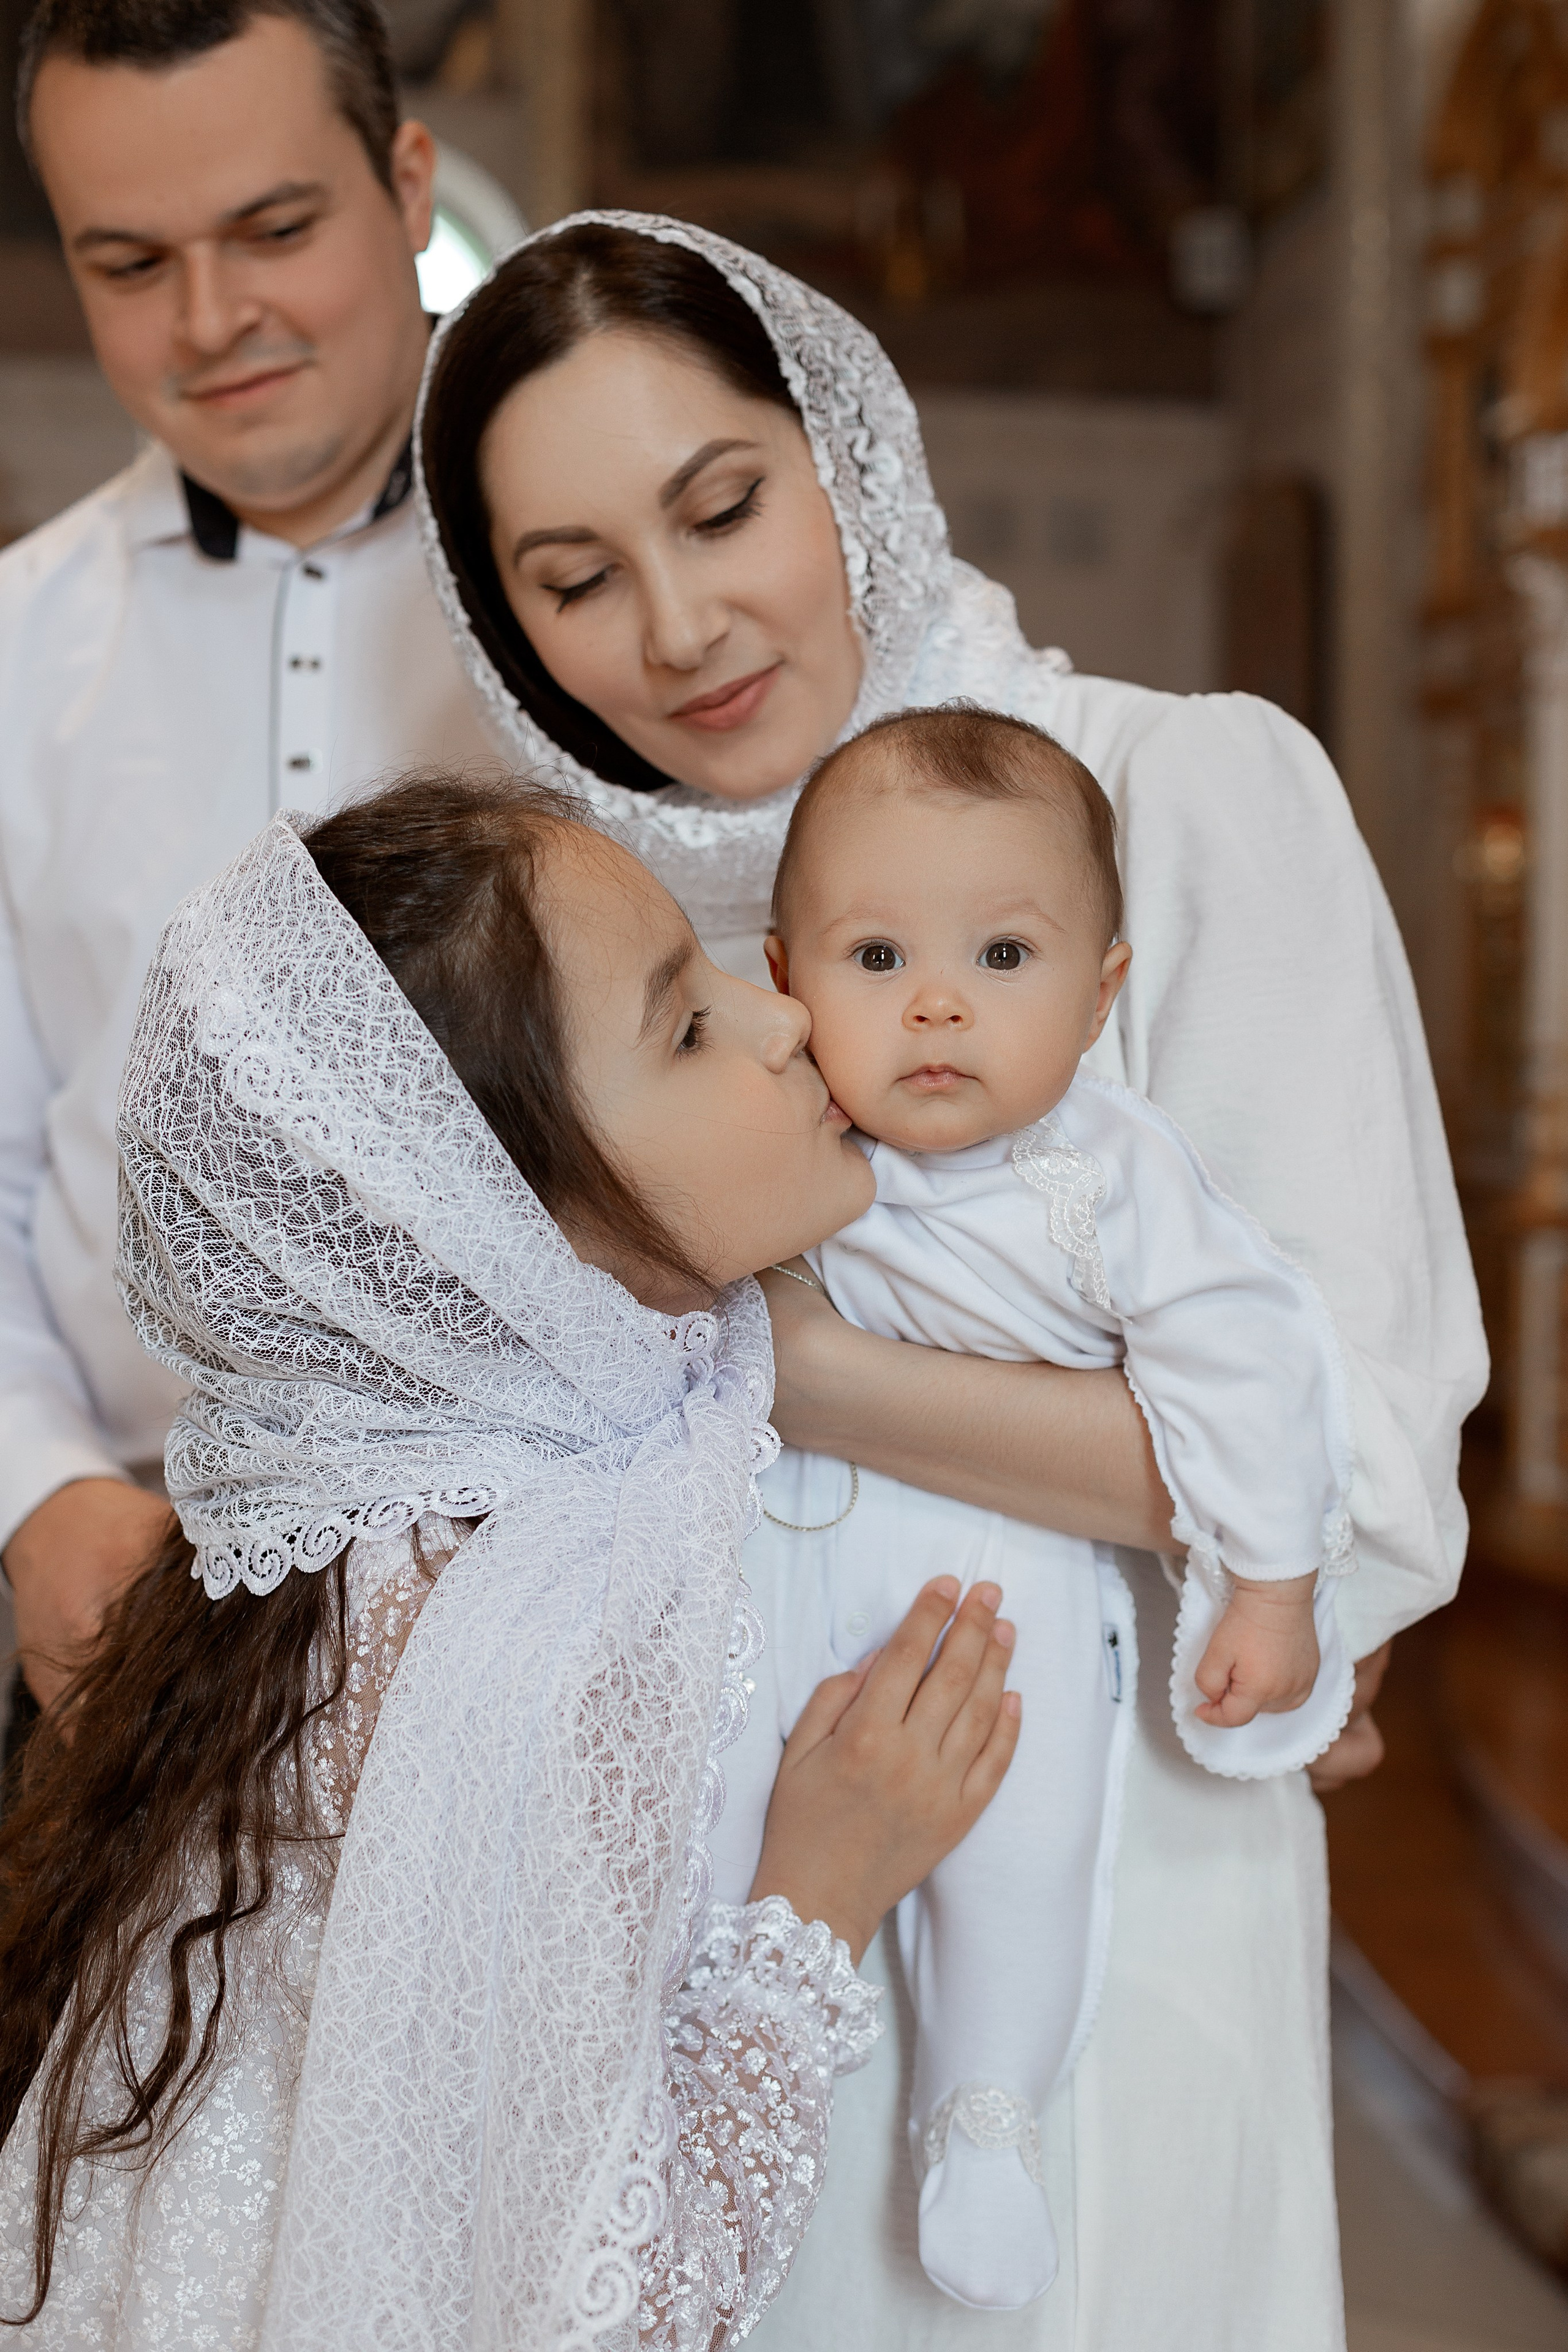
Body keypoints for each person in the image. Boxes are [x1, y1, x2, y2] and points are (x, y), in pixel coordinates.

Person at [415, 213, 1490, 2348]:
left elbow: (1354, 1483)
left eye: (725, 506)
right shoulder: (579, 958)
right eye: (575, 580)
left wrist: (801, 1379)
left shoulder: (1184, 799)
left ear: (850, 454)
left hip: (1129, 1936)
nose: (684, 625)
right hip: (724, 1966)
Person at [0, 772, 1020, 2346]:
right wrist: (827, 1883)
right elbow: (613, 2305)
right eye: (683, 1026)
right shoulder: (505, 1645)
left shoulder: (472, 1484)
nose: (783, 1021)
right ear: (492, 1223)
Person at [711, 700, 1357, 2314]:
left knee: (1028, 1846)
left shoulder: (1105, 1174)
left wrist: (1270, 1587)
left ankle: (981, 2116)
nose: (937, 1003)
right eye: (875, 961)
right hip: (773, 1590)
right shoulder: (783, 1136)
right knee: (731, 1843)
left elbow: (1252, 1363)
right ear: (785, 988)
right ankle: (720, 2114)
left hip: (1005, 1598)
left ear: (1101, 993)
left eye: (1005, 959)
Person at [0, 0, 494, 1716]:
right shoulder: (11, 648)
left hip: (558, 1608)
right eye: (129, 263)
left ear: (405, 182)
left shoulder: (604, 604)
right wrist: (33, 1487)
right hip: (132, 1619)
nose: (212, 322)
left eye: (275, 231)